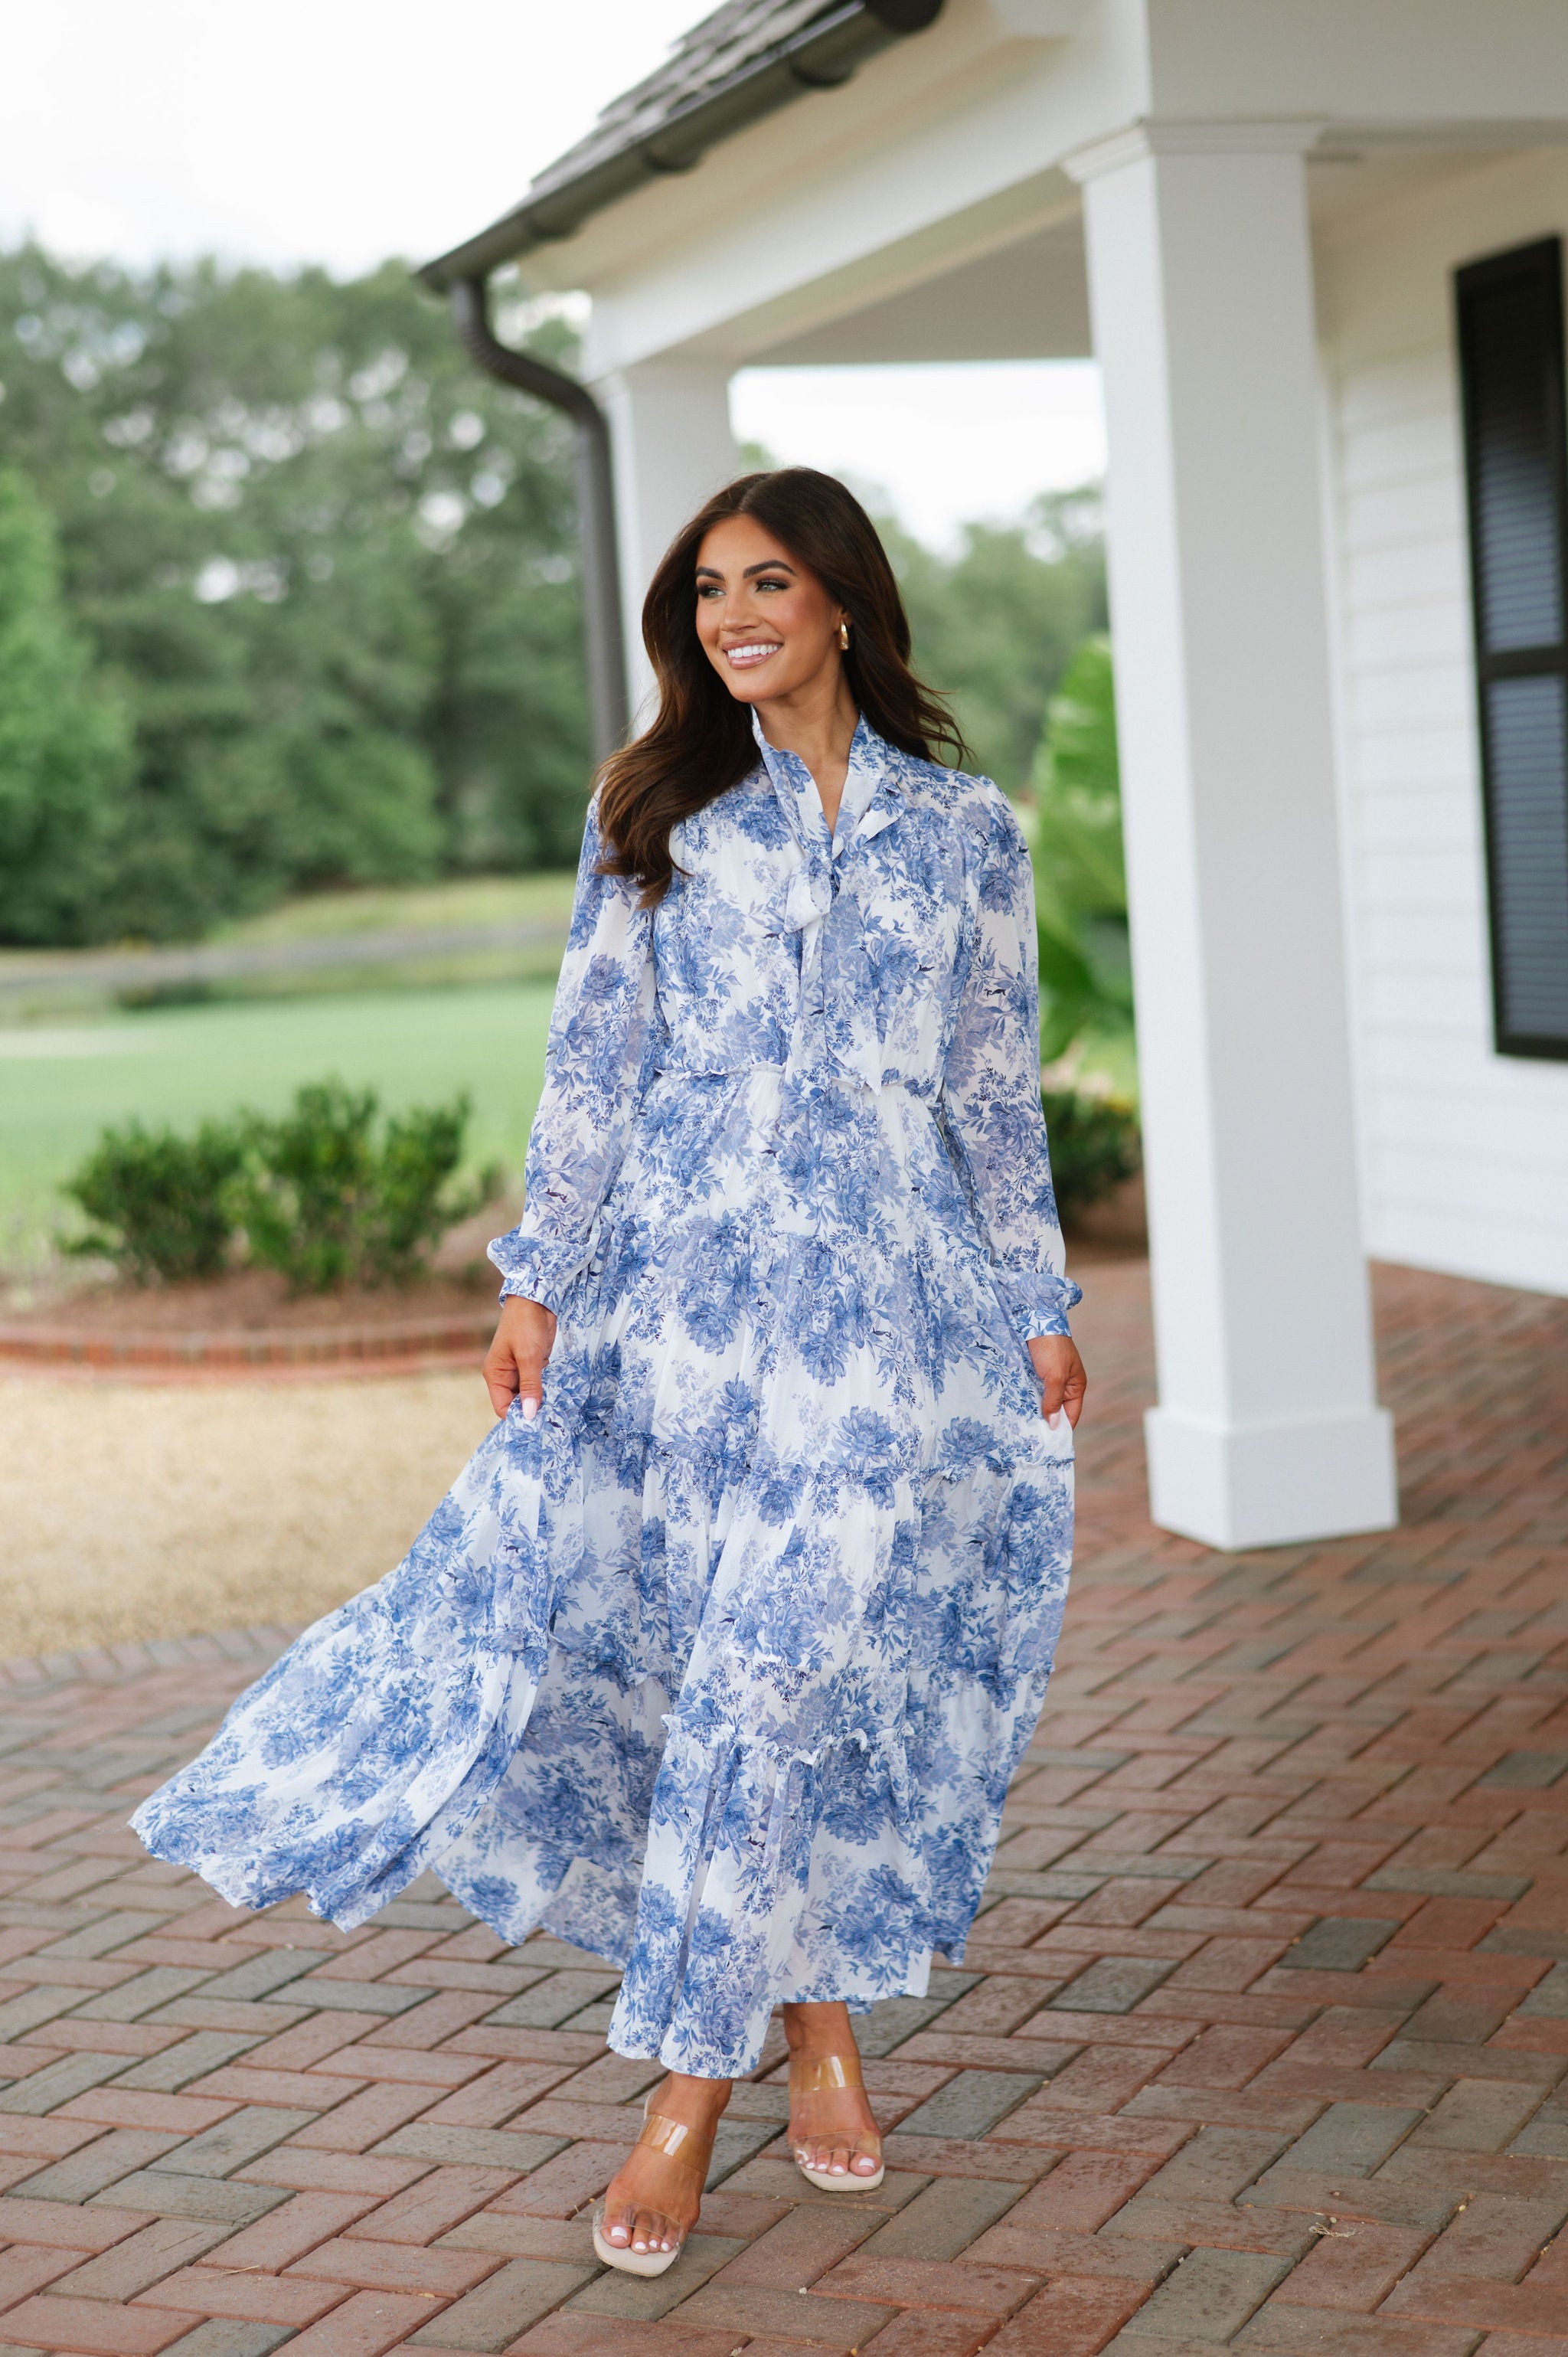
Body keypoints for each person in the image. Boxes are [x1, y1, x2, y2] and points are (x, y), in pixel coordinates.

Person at [130, 467, 1088, 2280]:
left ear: (845, 606)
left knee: (797, 1676)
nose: (732, 615)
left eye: (769, 583)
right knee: (712, 1679)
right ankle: (803, 2035)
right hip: (684, 1313)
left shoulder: (966, 835)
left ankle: (687, 2095)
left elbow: (984, 1091)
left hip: (883, 1321)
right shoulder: (657, 811)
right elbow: (593, 1066)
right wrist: (538, 1283)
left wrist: (1037, 1299)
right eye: (709, 590)